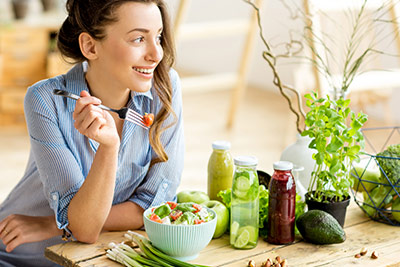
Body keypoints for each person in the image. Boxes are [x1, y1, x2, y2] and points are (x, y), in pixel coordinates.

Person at [0, 0, 184, 265]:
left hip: (93, 258)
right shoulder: (45, 99)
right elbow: (85, 230)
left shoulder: (165, 89)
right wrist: (109, 148)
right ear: (90, 46)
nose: (156, 54)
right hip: (21, 256)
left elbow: (157, 205)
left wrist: (55, 224)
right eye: (138, 39)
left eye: (157, 37)